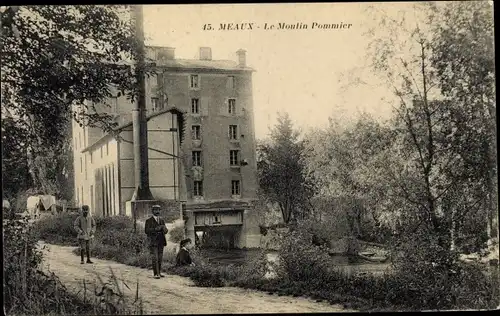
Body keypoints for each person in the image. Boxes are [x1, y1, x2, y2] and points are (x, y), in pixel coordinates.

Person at [145, 205, 168, 279]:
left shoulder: (162, 220)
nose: (157, 211)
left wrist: (164, 229)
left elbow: (166, 231)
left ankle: (159, 273)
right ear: (152, 211)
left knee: (160, 258)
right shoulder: (148, 221)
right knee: (155, 258)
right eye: (156, 210)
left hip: (161, 241)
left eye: (159, 210)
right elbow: (146, 231)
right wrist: (156, 229)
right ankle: (155, 274)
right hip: (153, 242)